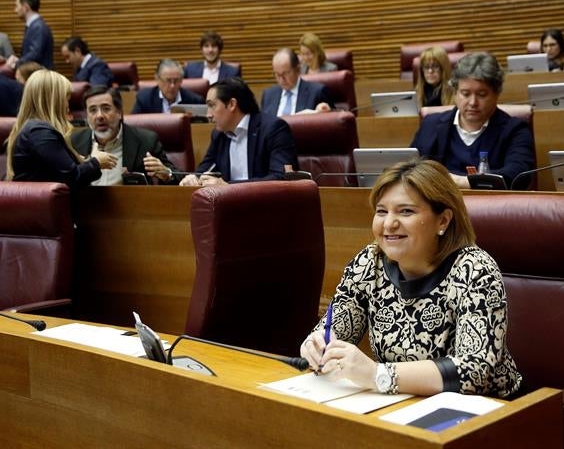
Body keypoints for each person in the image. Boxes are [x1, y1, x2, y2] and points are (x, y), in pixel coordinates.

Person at [300, 159, 522, 397]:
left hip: (486, 412)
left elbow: (474, 372)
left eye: (406, 211)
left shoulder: (475, 269)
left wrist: (379, 374)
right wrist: (316, 346)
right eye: (382, 211)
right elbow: (334, 331)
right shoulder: (368, 262)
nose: (389, 223)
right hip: (401, 403)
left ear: (443, 220)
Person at [410, 52, 534, 188]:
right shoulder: (431, 124)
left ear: (497, 94)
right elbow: (409, 168)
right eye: (465, 94)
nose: (473, 102)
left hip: (490, 206)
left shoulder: (515, 130)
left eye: (482, 94)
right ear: (455, 92)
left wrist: (456, 182)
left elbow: (518, 176)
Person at [5, 70, 116, 187]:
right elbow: (73, 177)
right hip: (44, 204)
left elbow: (58, 173)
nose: (68, 105)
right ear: (54, 100)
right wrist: (97, 162)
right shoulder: (39, 131)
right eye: (66, 98)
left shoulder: (34, 128)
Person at [180, 77, 298, 186]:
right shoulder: (219, 135)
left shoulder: (273, 129)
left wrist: (228, 187)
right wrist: (193, 178)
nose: (208, 115)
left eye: (212, 105)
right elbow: (206, 168)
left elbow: (280, 178)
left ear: (232, 104)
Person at [71, 85, 176, 185]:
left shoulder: (145, 141)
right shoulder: (75, 142)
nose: (99, 116)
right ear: (87, 115)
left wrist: (167, 174)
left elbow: (177, 176)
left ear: (119, 113)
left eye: (106, 108)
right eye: (93, 110)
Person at [260, 48, 334, 115]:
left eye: (285, 73)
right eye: (277, 74)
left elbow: (335, 120)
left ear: (298, 70)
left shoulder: (317, 93)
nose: (281, 79)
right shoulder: (268, 95)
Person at [132, 59, 204, 114]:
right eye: (168, 81)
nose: (172, 86)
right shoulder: (144, 99)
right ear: (157, 79)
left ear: (181, 80)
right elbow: (134, 125)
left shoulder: (195, 101)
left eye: (176, 81)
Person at [5, 0, 53, 70]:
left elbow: (35, 54)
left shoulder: (38, 26)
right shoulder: (34, 25)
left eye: (17, 6)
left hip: (41, 77)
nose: (15, 10)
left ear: (25, 7)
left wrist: (17, 63)